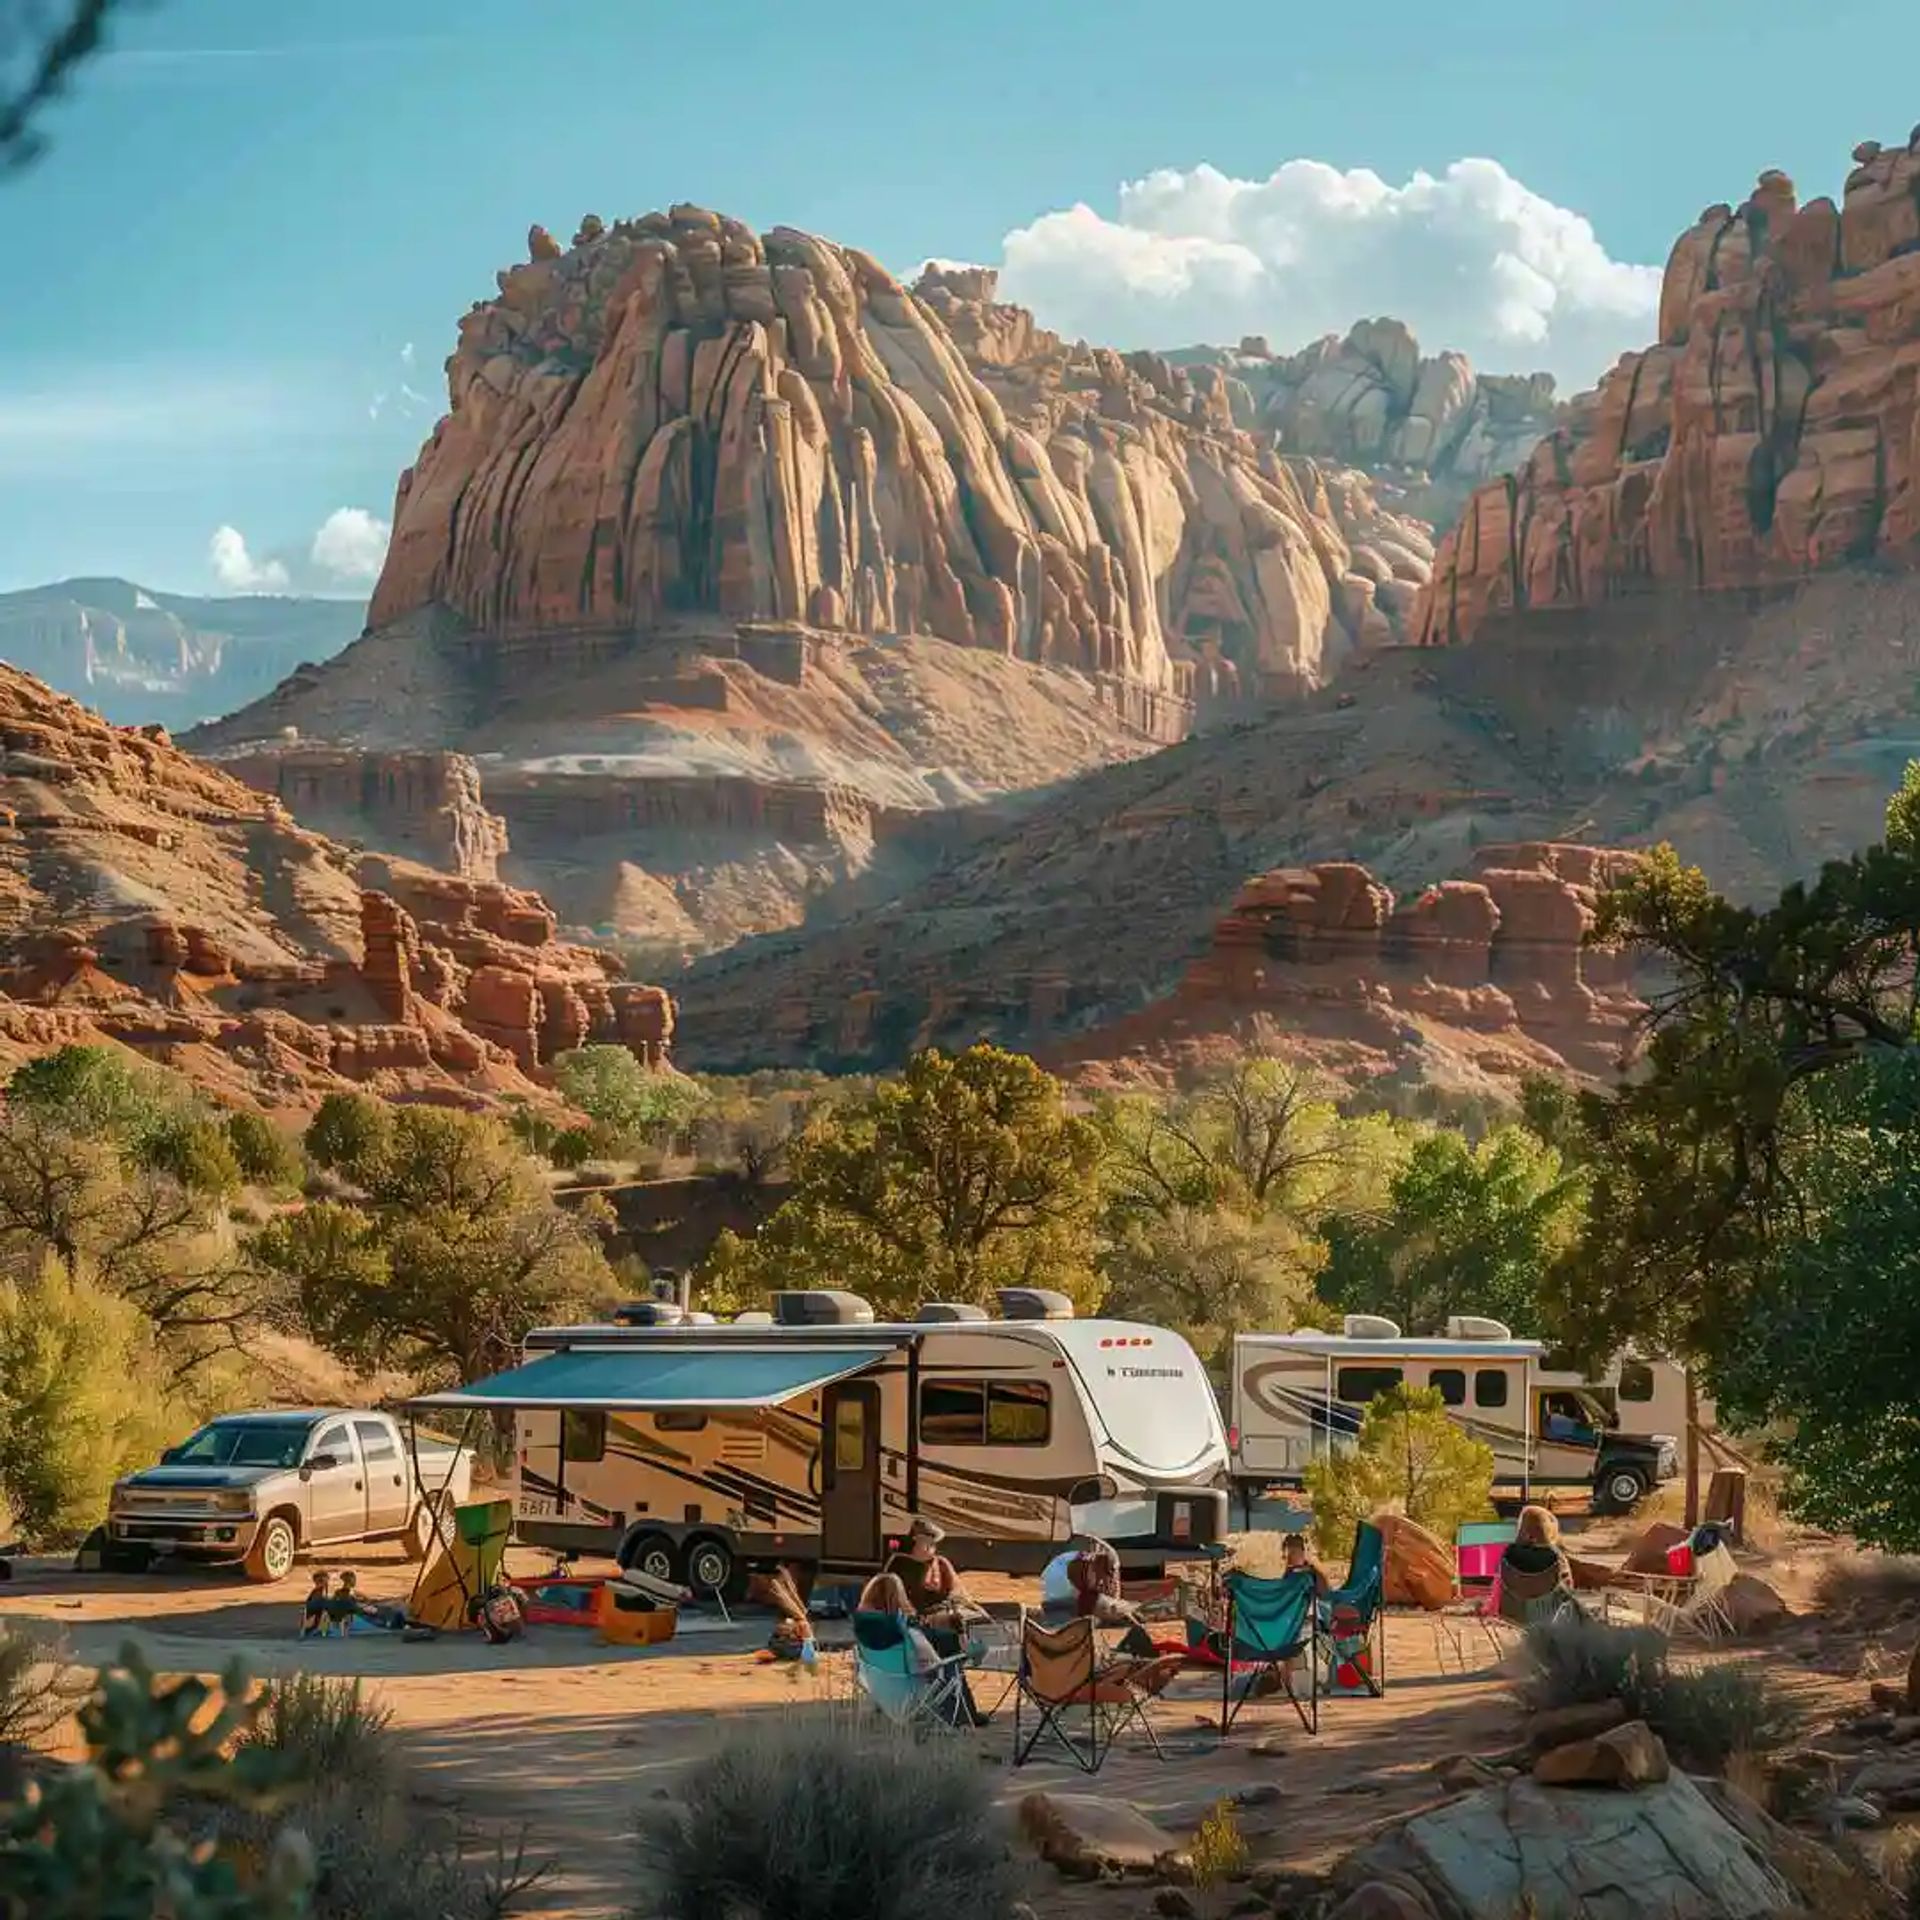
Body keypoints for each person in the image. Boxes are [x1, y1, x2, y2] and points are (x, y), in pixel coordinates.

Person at [856, 1571, 987, 1725]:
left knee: (941, 1645)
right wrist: (968, 1652)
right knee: (951, 1660)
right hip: (911, 1697)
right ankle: (965, 1717)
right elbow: (933, 1663)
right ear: (899, 1598)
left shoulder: (864, 1629)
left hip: (882, 1693)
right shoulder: (909, 1634)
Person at [883, 1517, 983, 1651]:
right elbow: (892, 1596)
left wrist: (954, 1604)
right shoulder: (898, 1563)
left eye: (933, 1544)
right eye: (927, 1543)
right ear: (916, 1540)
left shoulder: (941, 1563)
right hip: (912, 1622)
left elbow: (956, 1590)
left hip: (941, 1615)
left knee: (959, 1623)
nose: (931, 1547)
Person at [1065, 1536, 1158, 1658]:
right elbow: (1116, 1608)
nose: (1112, 1580)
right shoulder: (1095, 1599)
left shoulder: (1083, 1598)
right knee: (1137, 1627)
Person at [1497, 1504, 1576, 1624]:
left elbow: (1498, 1586)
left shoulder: (1507, 1553)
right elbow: (1568, 1590)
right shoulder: (1557, 1557)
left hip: (1513, 1618)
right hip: (1547, 1618)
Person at [300, 1569, 333, 1637]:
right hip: (313, 1608)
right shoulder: (318, 1590)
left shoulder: (322, 1590)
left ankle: (318, 1628)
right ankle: (321, 1628)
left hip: (315, 1608)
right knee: (326, 1609)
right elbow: (316, 1601)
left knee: (325, 1609)